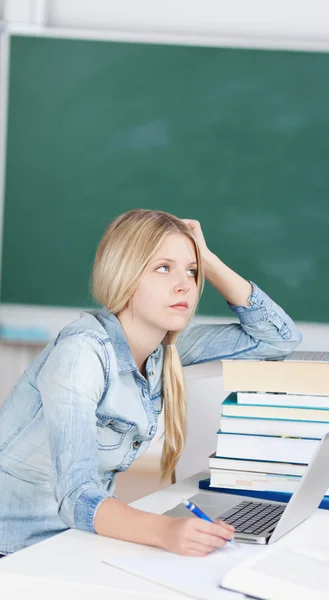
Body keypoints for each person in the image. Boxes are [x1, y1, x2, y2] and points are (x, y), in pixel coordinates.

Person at [0, 208, 302, 558]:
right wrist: (165, 530)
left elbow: (278, 338)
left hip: (76, 540)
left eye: (191, 272)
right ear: (124, 274)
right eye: (163, 268)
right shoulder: (82, 351)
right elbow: (77, 496)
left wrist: (209, 260)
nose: (184, 284)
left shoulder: (165, 347)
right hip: (16, 553)